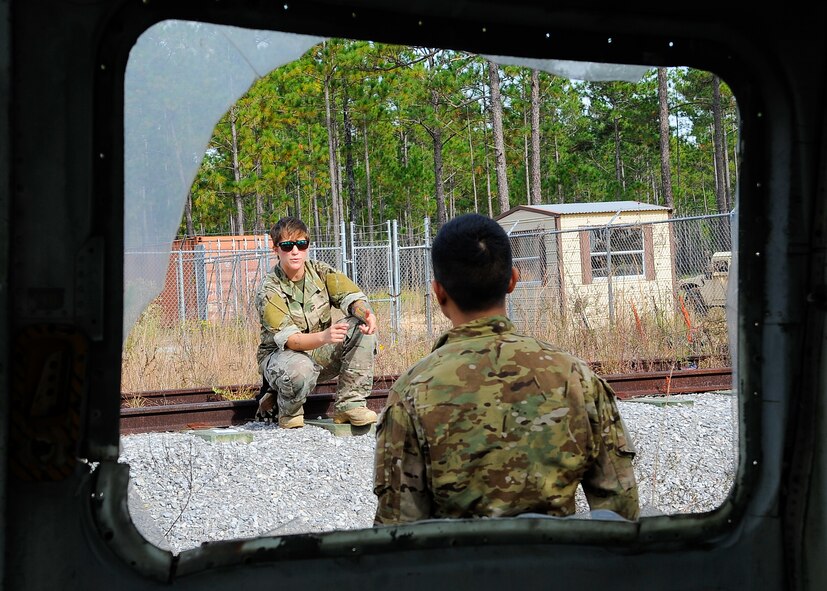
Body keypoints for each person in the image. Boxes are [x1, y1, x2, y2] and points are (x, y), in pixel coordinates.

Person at [373, 213, 640, 524]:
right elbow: (621, 513)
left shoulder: (411, 391)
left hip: (458, 571)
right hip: (560, 568)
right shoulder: (576, 377)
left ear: (438, 292)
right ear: (513, 280)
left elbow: (399, 531)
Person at [254, 216, 378, 429]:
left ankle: (350, 405)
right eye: (287, 245)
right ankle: (288, 410)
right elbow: (291, 341)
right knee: (299, 368)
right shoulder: (269, 289)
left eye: (301, 244)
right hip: (282, 359)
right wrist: (324, 337)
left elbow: (351, 297)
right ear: (276, 250)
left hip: (317, 353)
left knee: (361, 328)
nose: (295, 251)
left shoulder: (320, 271)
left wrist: (366, 313)